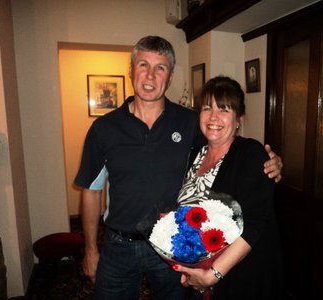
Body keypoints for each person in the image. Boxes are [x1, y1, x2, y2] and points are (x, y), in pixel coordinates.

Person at [74, 36, 283, 300]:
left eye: (160, 67)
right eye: (143, 65)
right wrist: (91, 250)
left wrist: (272, 161)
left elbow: (227, 144)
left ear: (170, 77)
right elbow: (91, 192)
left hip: (172, 247)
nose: (150, 75)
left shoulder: (190, 122)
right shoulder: (103, 129)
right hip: (119, 246)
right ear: (131, 70)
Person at [173, 76, 283, 299]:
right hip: (204, 273)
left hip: (243, 275)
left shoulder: (251, 154)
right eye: (207, 108)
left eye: (224, 109)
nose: (213, 117)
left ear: (239, 119)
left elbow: (254, 225)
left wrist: (213, 274)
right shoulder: (195, 154)